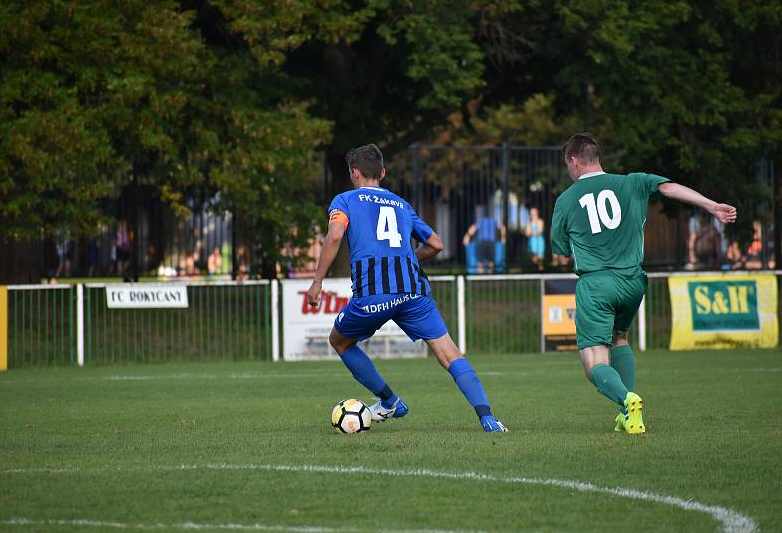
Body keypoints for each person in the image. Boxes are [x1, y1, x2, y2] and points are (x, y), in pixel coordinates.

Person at [307, 144, 507, 432]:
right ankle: (488, 418)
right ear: (383, 173)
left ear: (354, 173)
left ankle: (389, 401)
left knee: (340, 341)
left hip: (373, 293)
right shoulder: (401, 205)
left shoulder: (345, 200)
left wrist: (317, 283)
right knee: (450, 354)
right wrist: (407, 259)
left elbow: (335, 234)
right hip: (413, 291)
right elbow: (436, 244)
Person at [551, 133, 736, 435]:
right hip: (633, 282)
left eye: (567, 165)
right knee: (620, 338)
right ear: (597, 157)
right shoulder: (633, 182)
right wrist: (711, 205)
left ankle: (626, 399)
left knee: (593, 362)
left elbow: (560, 253)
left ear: (573, 161)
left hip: (597, 284)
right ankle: (629, 416)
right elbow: (669, 187)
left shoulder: (566, 200)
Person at [462, 209, 505, 273]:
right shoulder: (494, 221)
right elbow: (502, 228)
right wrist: (503, 238)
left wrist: (467, 236)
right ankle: (489, 276)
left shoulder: (480, 221)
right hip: (490, 242)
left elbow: (472, 229)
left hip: (481, 242)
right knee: (491, 261)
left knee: (481, 261)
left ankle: (480, 277)